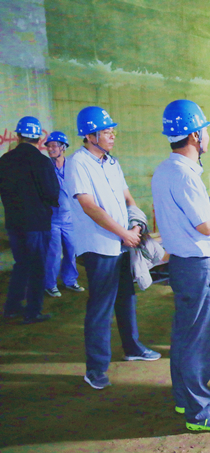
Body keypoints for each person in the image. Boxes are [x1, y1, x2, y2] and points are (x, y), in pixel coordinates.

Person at [153, 99, 210, 432]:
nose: (207, 136)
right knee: (200, 337)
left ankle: (185, 397)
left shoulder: (167, 169)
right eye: (204, 130)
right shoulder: (184, 175)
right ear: (193, 136)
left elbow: (188, 213)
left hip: (182, 263)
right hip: (198, 264)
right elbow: (206, 226)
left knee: (185, 334)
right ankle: (199, 411)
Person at [66, 106, 160, 390]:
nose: (112, 135)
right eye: (106, 131)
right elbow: (88, 205)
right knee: (101, 306)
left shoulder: (111, 162)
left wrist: (135, 225)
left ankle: (132, 347)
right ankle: (95, 368)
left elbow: (127, 196)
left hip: (121, 241)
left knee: (126, 297)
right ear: (90, 134)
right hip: (98, 245)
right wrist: (122, 233)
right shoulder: (78, 163)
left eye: (111, 130)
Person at [0, 116, 59, 324]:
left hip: (14, 223)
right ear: (38, 139)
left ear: (18, 136)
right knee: (37, 268)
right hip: (37, 223)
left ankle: (12, 307)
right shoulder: (42, 162)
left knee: (21, 264)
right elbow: (53, 193)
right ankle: (33, 312)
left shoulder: (4, 160)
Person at [43, 131, 85, 298]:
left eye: (54, 146)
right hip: (52, 218)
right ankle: (50, 284)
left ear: (63, 148)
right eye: (49, 146)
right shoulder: (45, 166)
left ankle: (70, 280)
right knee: (53, 252)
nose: (50, 149)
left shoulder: (72, 166)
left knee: (71, 249)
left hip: (70, 218)